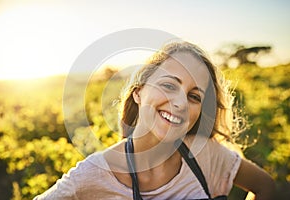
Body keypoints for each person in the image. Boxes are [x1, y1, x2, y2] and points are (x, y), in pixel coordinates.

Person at [34, 41, 276, 199]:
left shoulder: (206, 155)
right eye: (169, 85)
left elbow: (266, 187)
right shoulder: (91, 176)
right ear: (138, 93)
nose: (180, 102)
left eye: (194, 96)